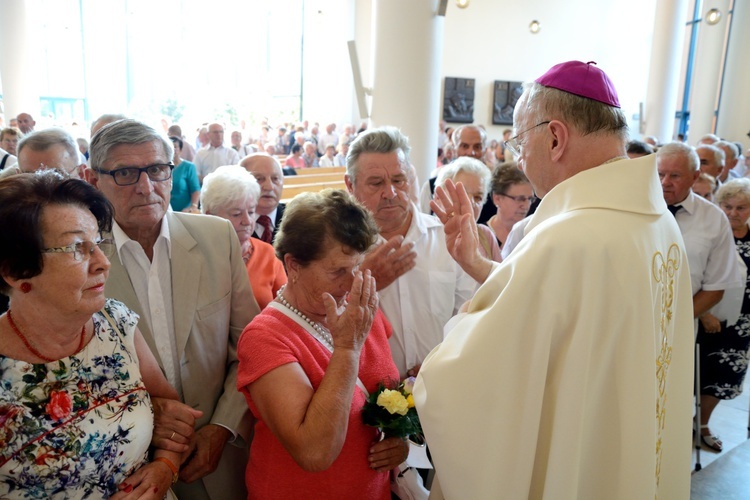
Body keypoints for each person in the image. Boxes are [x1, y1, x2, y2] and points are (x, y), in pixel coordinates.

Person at [414, 60, 694, 499]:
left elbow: (475, 377)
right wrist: (478, 266)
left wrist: (458, 331)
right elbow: (572, 317)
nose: (519, 156)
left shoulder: (568, 237)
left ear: (556, 137)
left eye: (520, 140)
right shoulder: (658, 224)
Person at [86, 119, 259, 499]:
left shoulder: (217, 238)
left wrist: (223, 427)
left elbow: (249, 347)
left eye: (157, 170)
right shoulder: (83, 258)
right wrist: (146, 415)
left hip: (219, 458)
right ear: (93, 178)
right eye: (126, 173)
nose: (146, 187)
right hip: (130, 469)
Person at [0, 171, 183, 498]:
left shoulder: (114, 321)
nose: (102, 263)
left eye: (98, 243)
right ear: (15, 271)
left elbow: (170, 408)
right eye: (76, 248)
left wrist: (165, 467)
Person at [236, 189, 406, 499]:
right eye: (338, 271)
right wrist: (347, 349)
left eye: (357, 267)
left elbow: (389, 391)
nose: (352, 282)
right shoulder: (265, 337)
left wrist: (399, 440)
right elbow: (314, 453)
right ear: (294, 265)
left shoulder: (361, 311)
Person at [345, 126, 474, 378]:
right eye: (376, 183)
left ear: (411, 177)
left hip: (442, 385)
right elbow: (319, 325)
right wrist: (359, 281)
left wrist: (441, 362)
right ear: (350, 184)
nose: (390, 193)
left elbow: (471, 315)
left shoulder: (446, 239)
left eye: (398, 180)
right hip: (368, 399)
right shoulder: (339, 249)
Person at [698, 178, 750, 451]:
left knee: (724, 375)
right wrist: (705, 313)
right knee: (698, 372)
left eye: (741, 208)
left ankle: (703, 424)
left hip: (742, 324)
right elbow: (697, 277)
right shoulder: (712, 234)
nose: (732, 213)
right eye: (727, 206)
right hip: (707, 318)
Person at [201, 165, 287, 309]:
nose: (247, 221)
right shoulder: (196, 255)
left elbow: (287, 310)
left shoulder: (268, 254)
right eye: (236, 214)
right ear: (210, 216)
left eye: (251, 212)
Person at [436, 157, 501, 262]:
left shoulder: (486, 235)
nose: (470, 202)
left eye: (478, 197)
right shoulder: (425, 236)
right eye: (461, 193)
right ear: (438, 197)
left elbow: (500, 277)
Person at [1, 128, 85, 180]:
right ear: (19, 175)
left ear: (81, 173)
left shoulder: (94, 207)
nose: (43, 187)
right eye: (31, 177)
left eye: (56, 176)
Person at [240, 153, 286, 245]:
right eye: (259, 179)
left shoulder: (296, 219)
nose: (269, 187)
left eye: (275, 179)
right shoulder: (231, 222)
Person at [485, 162, 534, 249]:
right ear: (497, 199)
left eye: (530, 199)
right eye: (520, 199)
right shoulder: (481, 236)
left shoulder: (533, 233)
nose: (526, 206)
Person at [168, 135, 201, 213]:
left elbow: (195, 189)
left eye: (175, 147)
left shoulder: (189, 167)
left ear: (181, 150)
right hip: (167, 212)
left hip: (184, 211)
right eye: (169, 147)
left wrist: (193, 207)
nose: (172, 150)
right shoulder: (162, 167)